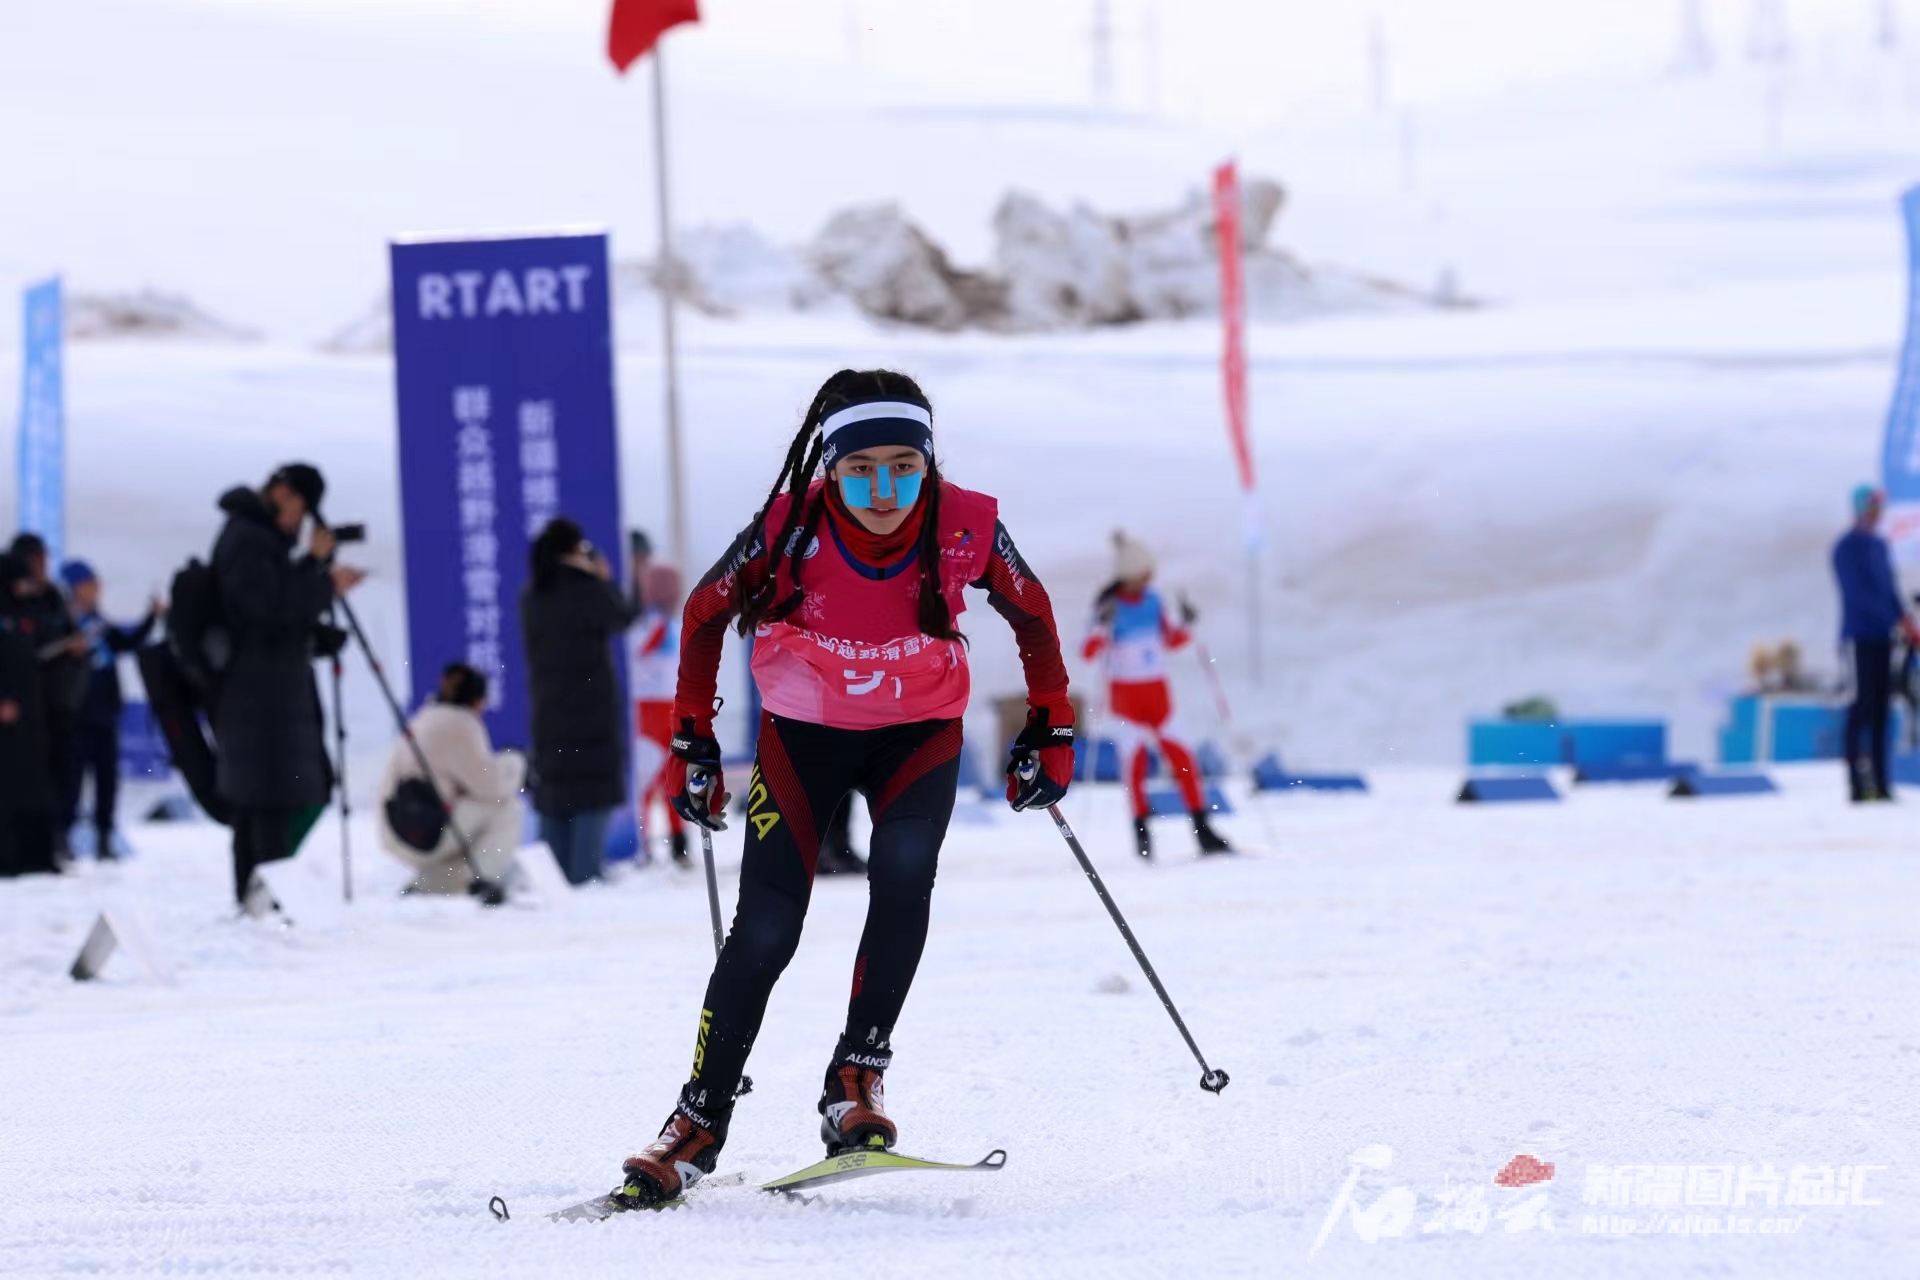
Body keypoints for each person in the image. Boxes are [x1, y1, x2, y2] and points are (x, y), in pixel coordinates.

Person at [610, 368, 1077, 1208]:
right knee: (766, 931)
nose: (884, 489)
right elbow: (705, 611)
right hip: (803, 739)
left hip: (919, 735)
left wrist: (1052, 722)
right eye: (860, 470)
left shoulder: (966, 524)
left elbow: (1033, 612)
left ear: (929, 464)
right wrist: (694, 735)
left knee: (902, 873)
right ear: (828, 469)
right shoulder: (789, 530)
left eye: (904, 465)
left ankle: (856, 1076)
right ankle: (698, 1118)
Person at [210, 464, 365, 904]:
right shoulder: (248, 537)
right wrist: (320, 575)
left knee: (266, 802)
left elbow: (274, 606)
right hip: (260, 701)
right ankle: (261, 901)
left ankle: (259, 900)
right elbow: (267, 609)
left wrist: (315, 631)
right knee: (268, 803)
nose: (301, 520)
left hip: (264, 698)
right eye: (301, 507)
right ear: (282, 492)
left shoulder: (253, 538)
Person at [1081, 530, 1231, 859]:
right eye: (1144, 573)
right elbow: (1088, 652)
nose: (1150, 578)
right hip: (1126, 704)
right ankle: (1142, 834)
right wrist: (1102, 628)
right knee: (1133, 769)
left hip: (1160, 699)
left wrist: (1187, 626)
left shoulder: (1153, 601)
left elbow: (1170, 641)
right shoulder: (1108, 606)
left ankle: (1203, 829)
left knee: (1185, 762)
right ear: (1130, 574)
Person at [522, 517, 639, 886]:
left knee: (556, 794)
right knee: (591, 792)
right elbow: (624, 615)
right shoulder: (588, 589)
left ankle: (552, 882)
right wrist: (603, 577)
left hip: (549, 712)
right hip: (591, 711)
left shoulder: (532, 596)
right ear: (574, 549)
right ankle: (584, 876)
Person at [376, 662, 524, 904]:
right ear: (478, 701)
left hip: (393, 829)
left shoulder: (424, 717)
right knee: (507, 808)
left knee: (467, 829)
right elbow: (491, 786)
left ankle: (426, 887)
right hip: (426, 832)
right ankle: (484, 880)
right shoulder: (461, 724)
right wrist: (514, 763)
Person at [58, 560, 162, 859]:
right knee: (71, 780)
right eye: (91, 585)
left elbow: (127, 641)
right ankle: (63, 837)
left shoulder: (99, 624)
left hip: (104, 713)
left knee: (106, 779)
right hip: (75, 714)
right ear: (76, 589)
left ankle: (104, 836)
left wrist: (151, 617)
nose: (97, 591)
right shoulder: (62, 623)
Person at [1831, 484, 1914, 802]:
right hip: (1859, 638)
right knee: (1860, 708)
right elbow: (1858, 594)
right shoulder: (1846, 547)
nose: (1878, 513)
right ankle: (1857, 784)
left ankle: (1881, 783)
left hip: (1883, 639)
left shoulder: (1880, 545)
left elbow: (1889, 589)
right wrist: (1890, 619)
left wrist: (1906, 622)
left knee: (1882, 709)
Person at [10, 533, 82, 857]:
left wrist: (73, 648)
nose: (41, 567)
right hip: (22, 706)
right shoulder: (10, 600)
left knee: (64, 774)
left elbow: (66, 633)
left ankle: (57, 839)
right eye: (36, 560)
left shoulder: (52, 597)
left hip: (57, 699)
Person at [0, 552, 60, 877]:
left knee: (36, 786)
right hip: (6, 721)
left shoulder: (28, 613)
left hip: (32, 715)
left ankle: (37, 856)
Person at [629, 559, 690, 867]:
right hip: (648, 708)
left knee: (674, 777)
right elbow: (638, 652)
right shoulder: (644, 624)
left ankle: (679, 841)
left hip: (673, 706)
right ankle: (642, 845)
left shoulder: (677, 624)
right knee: (646, 779)